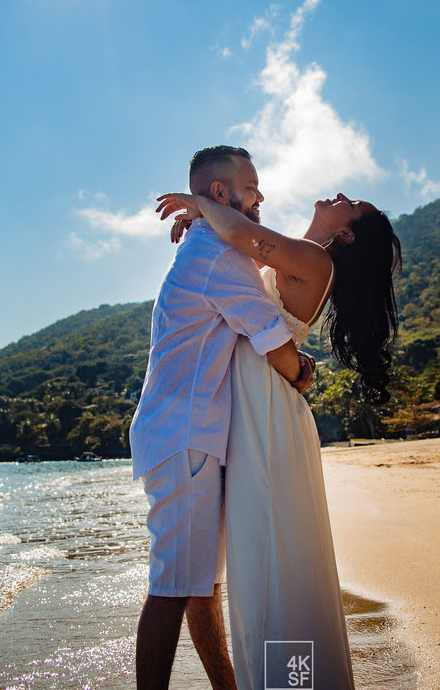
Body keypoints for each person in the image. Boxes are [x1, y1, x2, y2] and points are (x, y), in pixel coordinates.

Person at [156, 186, 401, 690]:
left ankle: (296, 682)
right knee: (265, 562)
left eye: (351, 203)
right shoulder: (299, 251)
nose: (339, 195)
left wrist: (202, 205)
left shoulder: (310, 259)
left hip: (266, 415)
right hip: (255, 410)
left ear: (347, 232)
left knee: (278, 568)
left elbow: (242, 233)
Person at [130, 146, 316, 690]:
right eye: (251, 186)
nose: (260, 196)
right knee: (173, 587)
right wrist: (301, 372)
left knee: (197, 584)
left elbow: (263, 252)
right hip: (185, 437)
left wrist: (199, 209)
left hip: (185, 434)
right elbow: (275, 342)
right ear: (221, 193)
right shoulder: (217, 257)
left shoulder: (212, 247)